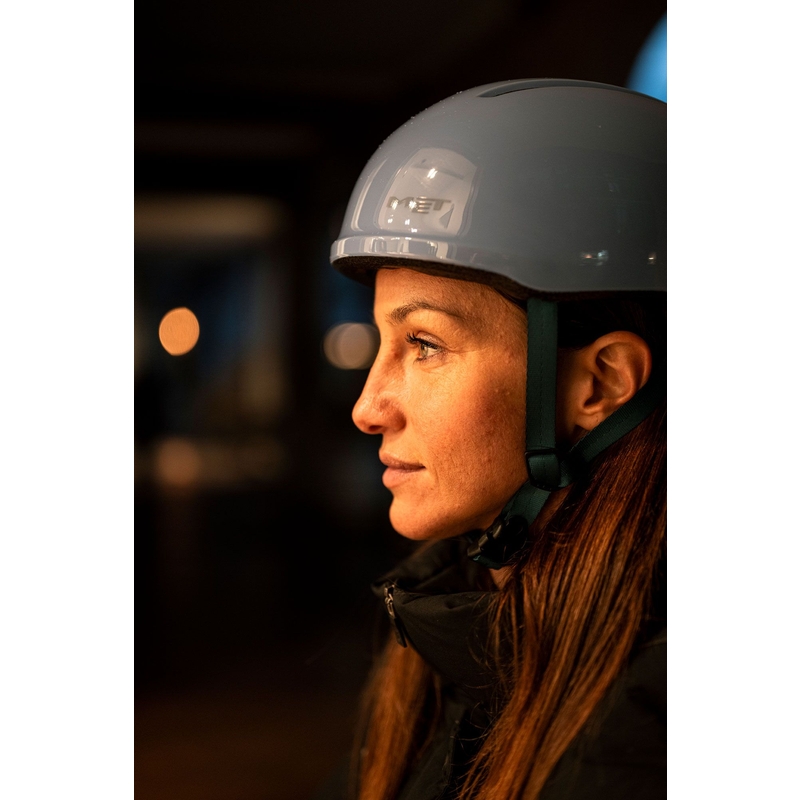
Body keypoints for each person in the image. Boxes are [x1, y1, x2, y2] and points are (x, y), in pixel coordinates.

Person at [325, 79, 665, 800]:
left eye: (424, 344)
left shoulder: (657, 725)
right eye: (383, 342)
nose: (368, 408)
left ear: (600, 383)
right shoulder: (449, 621)